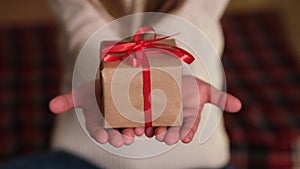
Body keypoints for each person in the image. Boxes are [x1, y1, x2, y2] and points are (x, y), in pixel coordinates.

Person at [1, 0, 242, 169]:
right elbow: (83, 32)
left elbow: (195, 21)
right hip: (81, 157)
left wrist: (171, 65)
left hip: (199, 163)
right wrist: (110, 81)